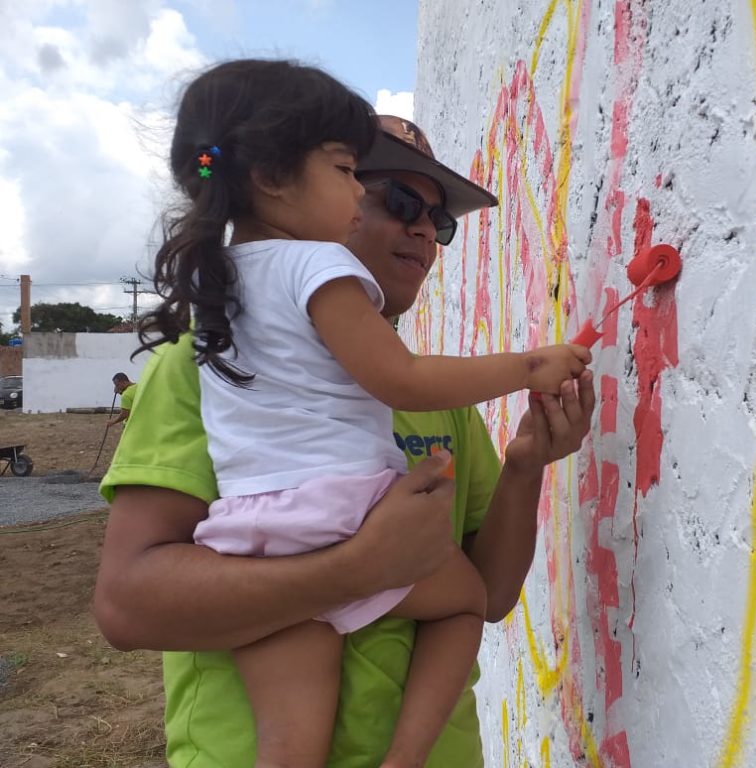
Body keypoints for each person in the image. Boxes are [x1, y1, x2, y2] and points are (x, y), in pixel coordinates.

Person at [103, 59, 592, 768]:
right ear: (283, 182)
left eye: (442, 220)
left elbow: (490, 595)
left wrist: (525, 467)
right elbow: (127, 606)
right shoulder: (204, 367)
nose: (425, 230)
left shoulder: (440, 396)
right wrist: (357, 568)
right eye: (397, 199)